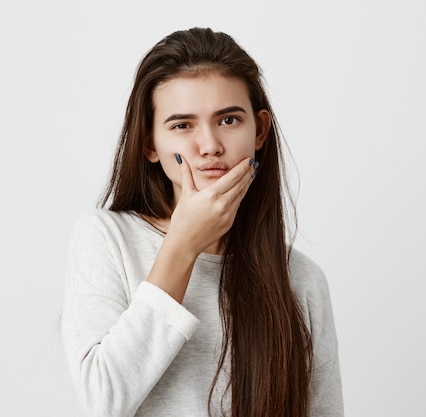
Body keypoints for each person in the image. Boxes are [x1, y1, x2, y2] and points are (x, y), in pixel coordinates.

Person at [60, 27, 343, 417]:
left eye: (228, 120)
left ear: (259, 131)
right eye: (182, 125)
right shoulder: (107, 240)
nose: (210, 144)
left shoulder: (302, 279)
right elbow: (101, 401)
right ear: (149, 144)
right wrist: (183, 244)